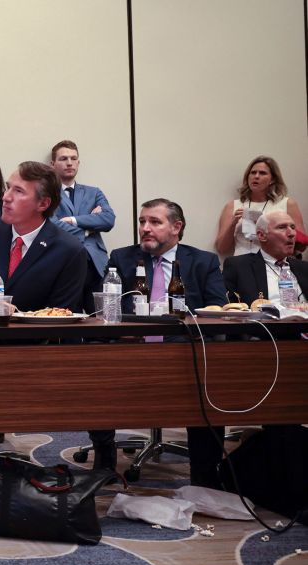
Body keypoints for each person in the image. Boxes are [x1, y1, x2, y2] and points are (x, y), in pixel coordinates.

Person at [97, 198, 226, 485]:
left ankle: (207, 478)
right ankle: (104, 464)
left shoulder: (202, 262)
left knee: (211, 381)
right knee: (97, 369)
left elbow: (217, 309)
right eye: (142, 222)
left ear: (176, 227)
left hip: (184, 351)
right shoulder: (122, 258)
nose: (145, 228)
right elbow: (108, 308)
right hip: (131, 350)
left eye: (155, 222)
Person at [0, 161, 88, 313]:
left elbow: (59, 316)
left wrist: (13, 314)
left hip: (38, 336)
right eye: (8, 188)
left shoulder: (69, 250)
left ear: (43, 204)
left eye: (19, 191)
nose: (6, 197)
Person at [48, 140, 115, 303]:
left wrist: (72, 220)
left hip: (96, 265)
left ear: (78, 162)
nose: (69, 163)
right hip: (63, 263)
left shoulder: (94, 192)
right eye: (63, 159)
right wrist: (89, 228)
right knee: (68, 316)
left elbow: (108, 219)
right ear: (52, 164)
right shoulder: (47, 194)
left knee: (101, 318)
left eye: (73, 158)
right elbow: (51, 225)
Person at [215, 156, 304, 258]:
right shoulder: (233, 206)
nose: (256, 176)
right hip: (241, 265)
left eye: (262, 173)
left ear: (272, 179)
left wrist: (275, 228)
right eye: (253, 173)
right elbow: (221, 249)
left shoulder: (287, 204)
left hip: (275, 265)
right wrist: (233, 224)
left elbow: (301, 246)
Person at [223, 210, 307, 305]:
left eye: (292, 227)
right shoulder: (238, 266)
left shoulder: (304, 268)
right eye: (282, 227)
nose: (291, 233)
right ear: (262, 235)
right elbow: (229, 307)